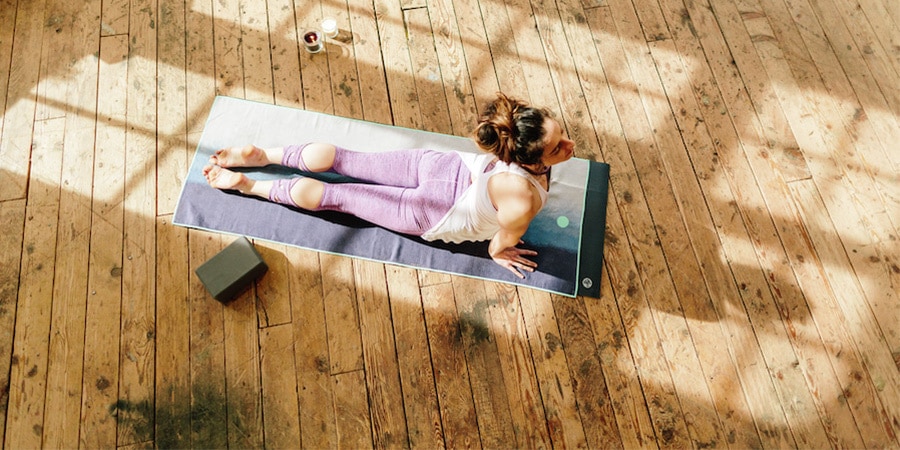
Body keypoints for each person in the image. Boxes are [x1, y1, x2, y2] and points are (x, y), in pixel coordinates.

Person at [203, 93, 575, 278]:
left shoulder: (510, 143)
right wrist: (498, 253)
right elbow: (499, 244)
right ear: (527, 156)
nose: (569, 146)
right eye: (557, 145)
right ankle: (249, 185)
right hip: (432, 212)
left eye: (562, 137)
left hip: (442, 167)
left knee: (348, 160)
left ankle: (264, 154)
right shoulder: (522, 202)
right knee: (338, 195)